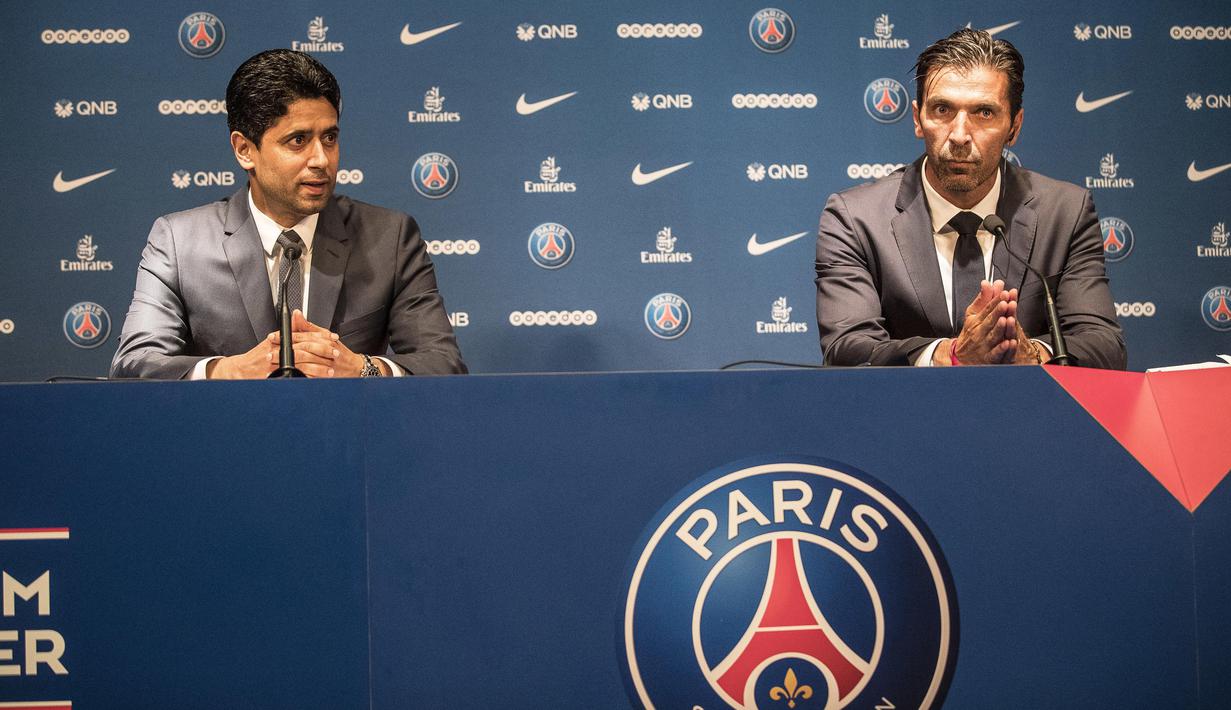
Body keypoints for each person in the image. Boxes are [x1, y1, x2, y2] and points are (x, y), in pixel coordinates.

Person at [110, 49, 465, 379]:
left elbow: (443, 363)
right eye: (298, 141)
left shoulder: (390, 237)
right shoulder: (178, 241)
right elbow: (135, 363)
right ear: (245, 150)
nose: (321, 160)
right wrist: (228, 371)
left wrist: (363, 368)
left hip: (346, 442)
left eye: (329, 138)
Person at [815, 28, 1126, 369]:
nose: (960, 135)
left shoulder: (1065, 213)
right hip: (905, 417)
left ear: (1015, 126)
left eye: (984, 113)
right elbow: (847, 350)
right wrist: (951, 355)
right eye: (943, 109)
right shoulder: (855, 219)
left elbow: (1103, 346)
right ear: (919, 119)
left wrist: (1029, 352)